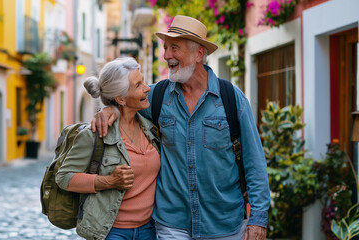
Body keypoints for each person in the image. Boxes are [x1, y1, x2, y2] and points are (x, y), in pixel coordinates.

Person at [92, 15, 270, 239]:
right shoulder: (156, 97)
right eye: (165, 48)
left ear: (199, 54)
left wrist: (258, 219)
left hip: (224, 225)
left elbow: (255, 163)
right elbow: (127, 103)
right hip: (171, 224)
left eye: (174, 48)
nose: (166, 55)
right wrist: (110, 110)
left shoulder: (231, 99)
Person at [55, 57, 161, 240]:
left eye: (143, 80)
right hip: (111, 231)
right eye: (138, 85)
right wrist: (110, 181)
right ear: (120, 98)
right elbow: (64, 177)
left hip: (149, 229)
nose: (147, 88)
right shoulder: (94, 134)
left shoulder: (151, 128)